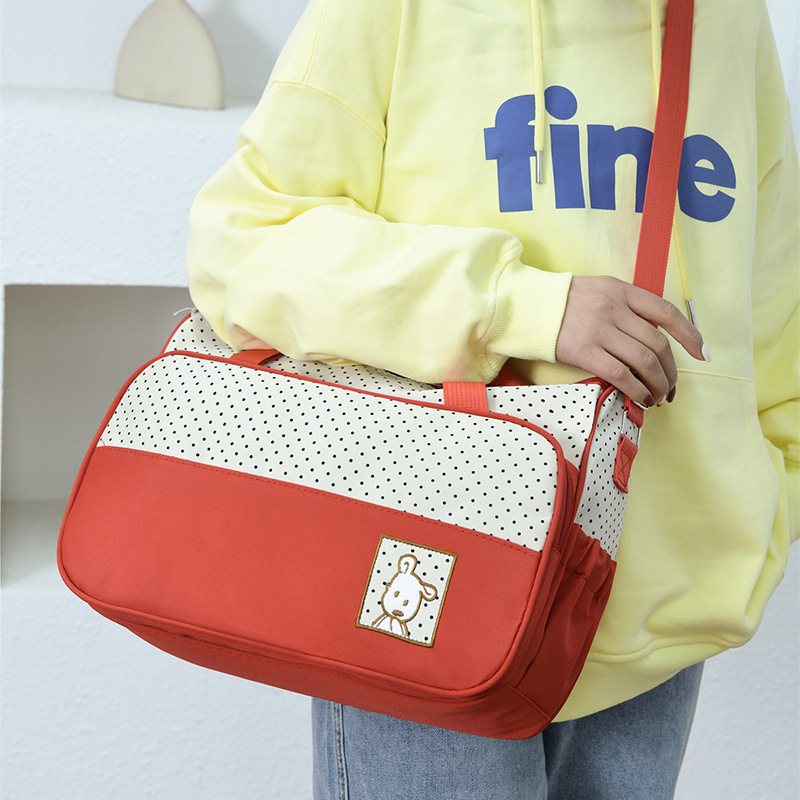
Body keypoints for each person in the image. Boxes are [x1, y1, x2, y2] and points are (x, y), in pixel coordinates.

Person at [185, 0, 799, 797]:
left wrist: (759, 513)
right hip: (426, 585)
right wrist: (521, 305)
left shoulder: (729, 18)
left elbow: (775, 306)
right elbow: (243, 243)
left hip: (659, 619)